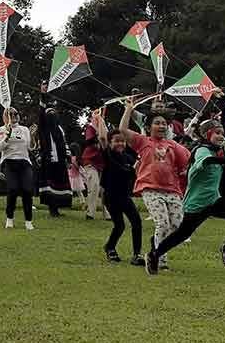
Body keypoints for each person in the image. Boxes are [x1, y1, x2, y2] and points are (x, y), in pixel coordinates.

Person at [146, 119, 225, 277]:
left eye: (222, 133)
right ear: (207, 134)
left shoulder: (216, 151)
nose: (221, 136)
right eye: (217, 133)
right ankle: (154, 255)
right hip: (197, 203)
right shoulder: (202, 150)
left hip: (214, 199)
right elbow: (208, 161)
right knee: (182, 234)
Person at [118, 95, 190, 270]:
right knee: (163, 224)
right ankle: (159, 259)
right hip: (150, 189)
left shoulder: (173, 145)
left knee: (177, 226)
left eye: (164, 123)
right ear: (148, 127)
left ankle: (156, 243)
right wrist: (129, 109)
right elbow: (123, 129)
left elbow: (187, 161)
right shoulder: (143, 141)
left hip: (172, 190)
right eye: (157, 123)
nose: (161, 126)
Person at [94, 111, 143, 265]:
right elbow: (103, 137)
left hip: (125, 196)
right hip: (111, 197)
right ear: (110, 143)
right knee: (120, 225)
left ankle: (137, 255)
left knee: (136, 222)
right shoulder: (108, 154)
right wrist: (100, 119)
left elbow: (136, 168)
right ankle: (110, 247)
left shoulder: (128, 158)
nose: (120, 144)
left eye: (123, 141)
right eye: (116, 141)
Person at [0, 107, 36, 231]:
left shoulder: (24, 129)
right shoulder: (1, 130)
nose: (14, 116)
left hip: (24, 161)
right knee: (13, 189)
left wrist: (32, 136)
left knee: (27, 190)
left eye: (16, 114)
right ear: (5, 116)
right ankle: (10, 218)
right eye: (11, 114)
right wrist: (7, 136)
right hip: (9, 161)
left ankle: (28, 221)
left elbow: (31, 147)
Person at [37, 86, 73, 217]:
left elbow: (65, 144)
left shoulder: (60, 129)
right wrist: (43, 95)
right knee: (49, 185)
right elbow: (41, 113)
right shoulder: (43, 128)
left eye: (53, 112)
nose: (51, 114)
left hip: (60, 161)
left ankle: (57, 209)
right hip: (48, 159)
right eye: (49, 113)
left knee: (59, 184)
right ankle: (52, 209)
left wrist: (68, 158)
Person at [80, 120, 109, 221]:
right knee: (94, 185)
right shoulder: (90, 128)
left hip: (103, 163)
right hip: (90, 161)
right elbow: (90, 140)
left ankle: (108, 213)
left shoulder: (106, 130)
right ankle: (90, 213)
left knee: (105, 189)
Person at [68, 143, 86, 210]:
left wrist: (72, 162)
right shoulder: (74, 158)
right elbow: (69, 167)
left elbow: (77, 167)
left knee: (77, 192)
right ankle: (80, 203)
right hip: (71, 176)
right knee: (76, 192)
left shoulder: (76, 158)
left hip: (75, 177)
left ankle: (82, 203)